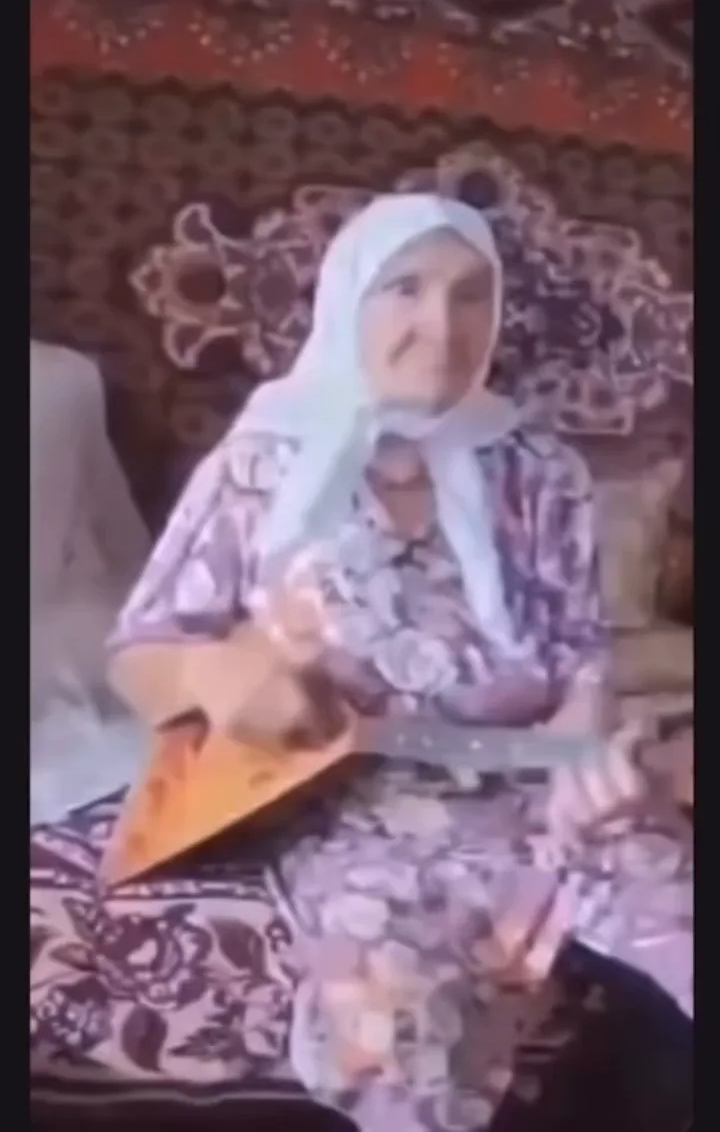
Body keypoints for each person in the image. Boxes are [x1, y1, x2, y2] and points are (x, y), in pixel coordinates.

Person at [33, 196, 692, 1132]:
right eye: (405, 289)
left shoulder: (539, 470)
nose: (442, 326)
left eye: (470, 295)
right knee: (397, 1030)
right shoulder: (265, 463)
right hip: (348, 805)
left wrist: (588, 754)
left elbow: (581, 650)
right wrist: (223, 679)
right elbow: (144, 651)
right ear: (346, 301)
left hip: (535, 787)